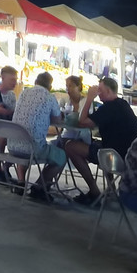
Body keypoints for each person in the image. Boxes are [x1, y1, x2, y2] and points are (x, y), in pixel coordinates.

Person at [7, 71, 67, 203]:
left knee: (25, 139)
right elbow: (57, 119)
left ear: (35, 82)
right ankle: (39, 186)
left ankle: (21, 182)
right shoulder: (49, 97)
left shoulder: (24, 93)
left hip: (12, 145)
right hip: (33, 149)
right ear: (50, 86)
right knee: (62, 156)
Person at [57, 75, 103, 206]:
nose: (68, 89)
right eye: (67, 86)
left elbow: (86, 123)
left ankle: (43, 183)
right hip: (67, 135)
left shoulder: (86, 102)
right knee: (59, 147)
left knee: (62, 149)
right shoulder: (65, 102)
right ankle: (45, 183)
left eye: (71, 86)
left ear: (79, 87)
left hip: (82, 137)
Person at [77, 76, 137, 160]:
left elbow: (82, 122)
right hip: (130, 153)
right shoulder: (122, 103)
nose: (98, 93)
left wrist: (89, 98)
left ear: (108, 91)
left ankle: (86, 170)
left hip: (115, 155)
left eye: (100, 90)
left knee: (70, 146)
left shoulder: (109, 108)